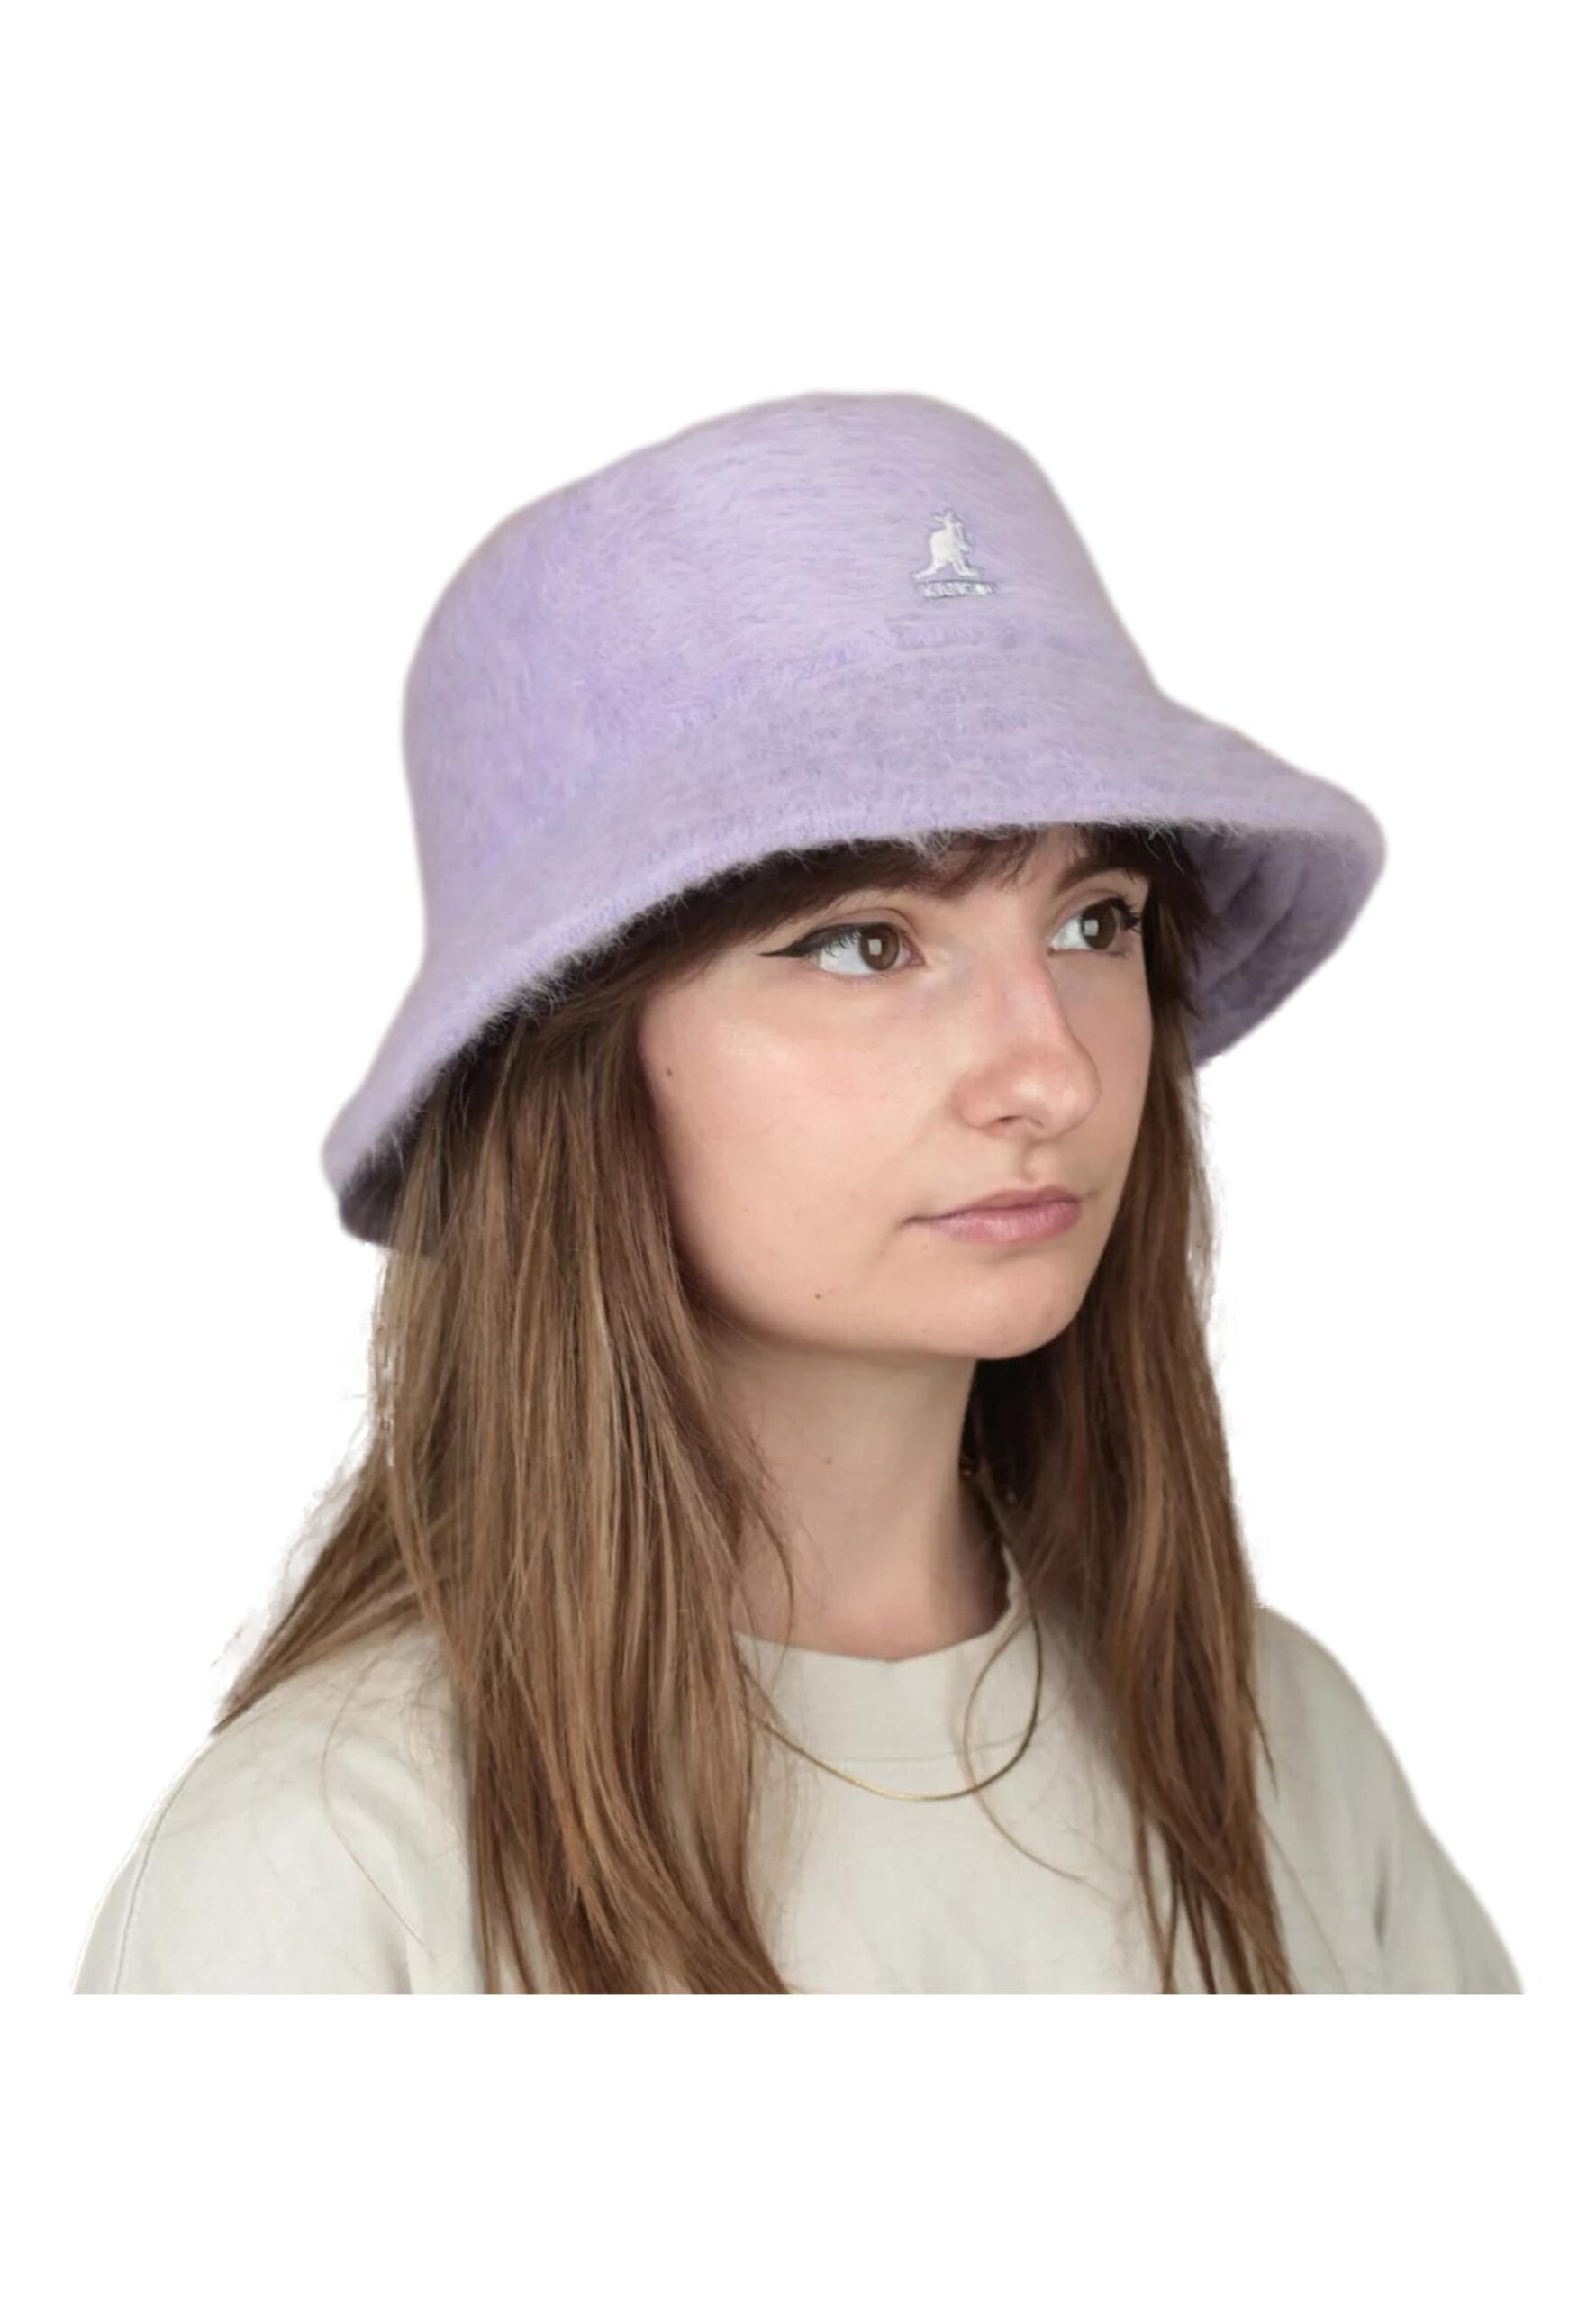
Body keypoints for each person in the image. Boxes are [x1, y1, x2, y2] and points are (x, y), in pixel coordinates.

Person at [71, 390, 1521, 1993]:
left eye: (1094, 922)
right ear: (569, 1070)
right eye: (865, 943)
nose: (1052, 1073)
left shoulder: (1276, 1747)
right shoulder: (332, 1866)